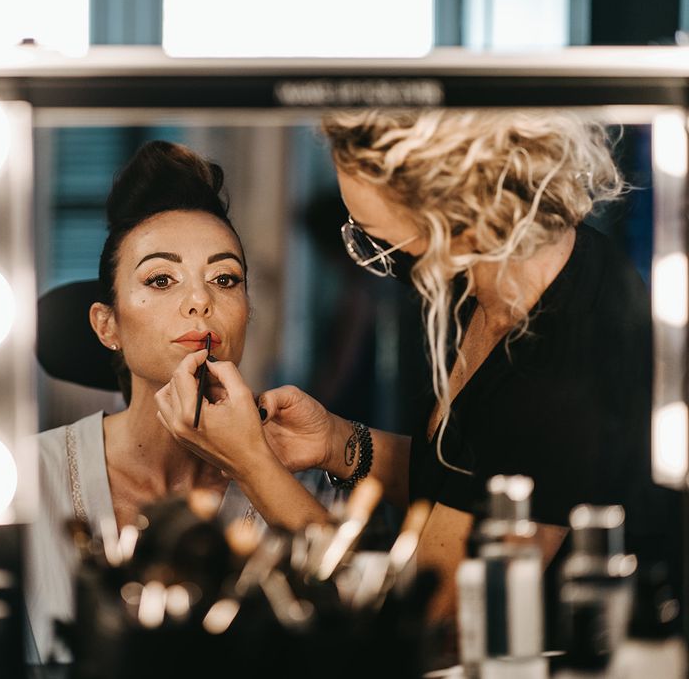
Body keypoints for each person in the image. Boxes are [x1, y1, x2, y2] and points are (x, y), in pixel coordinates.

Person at [155, 109, 679, 637]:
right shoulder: (479, 284)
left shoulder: (568, 359)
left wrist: (250, 464)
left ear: (453, 217)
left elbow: (423, 620)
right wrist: (338, 442)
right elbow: (474, 476)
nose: (377, 258)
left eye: (376, 239)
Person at [25, 140, 337, 664]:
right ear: (107, 325)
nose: (201, 300)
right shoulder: (27, 477)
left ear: (247, 313)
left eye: (225, 279)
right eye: (161, 279)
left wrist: (256, 465)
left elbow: (354, 642)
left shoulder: (299, 486)